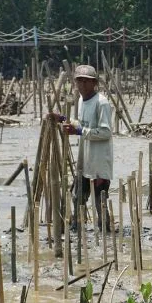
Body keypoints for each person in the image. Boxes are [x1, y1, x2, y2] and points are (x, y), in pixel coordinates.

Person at [51, 64, 114, 230]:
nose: (83, 85)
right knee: (77, 197)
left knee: (100, 202)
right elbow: (83, 124)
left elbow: (106, 132)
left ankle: (105, 234)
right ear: (75, 83)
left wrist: (78, 130)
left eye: (87, 81)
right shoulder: (81, 100)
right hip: (84, 161)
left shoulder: (102, 103)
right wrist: (64, 119)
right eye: (80, 81)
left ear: (94, 83)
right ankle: (76, 230)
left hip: (99, 162)